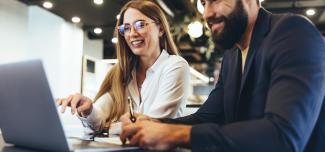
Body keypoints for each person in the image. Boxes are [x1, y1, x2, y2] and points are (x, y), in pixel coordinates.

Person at [119, 0, 325, 151]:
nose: (207, 13)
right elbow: (207, 117)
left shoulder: (293, 33)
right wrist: (155, 123)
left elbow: (284, 136)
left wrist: (178, 134)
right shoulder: (232, 55)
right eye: (203, 3)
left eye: (215, 0)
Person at [57, 0, 190, 135]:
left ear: (160, 29)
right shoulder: (122, 73)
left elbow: (152, 126)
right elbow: (99, 118)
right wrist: (88, 109)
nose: (132, 33)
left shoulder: (175, 66)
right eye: (126, 28)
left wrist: (107, 128)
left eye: (140, 25)